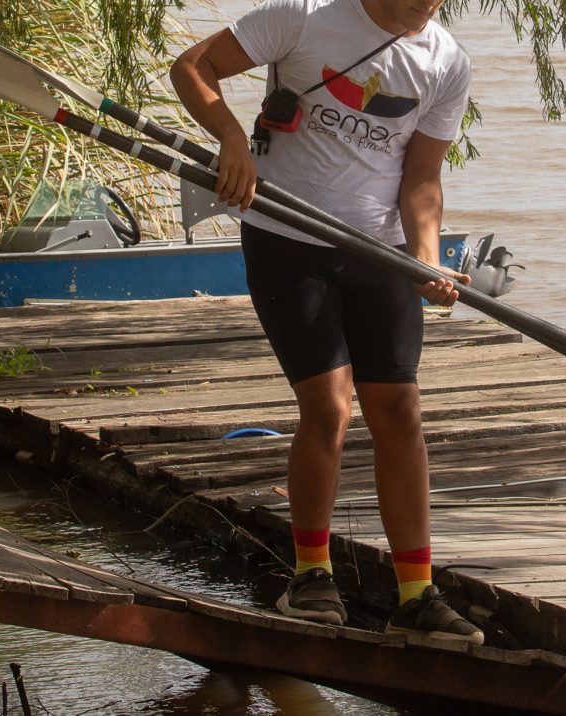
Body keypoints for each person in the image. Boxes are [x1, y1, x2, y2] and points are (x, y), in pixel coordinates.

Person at [170, 0, 483, 644]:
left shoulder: (447, 61)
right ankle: (311, 576)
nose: (431, 5)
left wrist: (426, 260)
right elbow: (192, 67)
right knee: (330, 407)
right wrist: (232, 138)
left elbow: (422, 178)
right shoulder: (304, 16)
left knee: (400, 411)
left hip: (378, 250)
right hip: (287, 239)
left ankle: (417, 595)